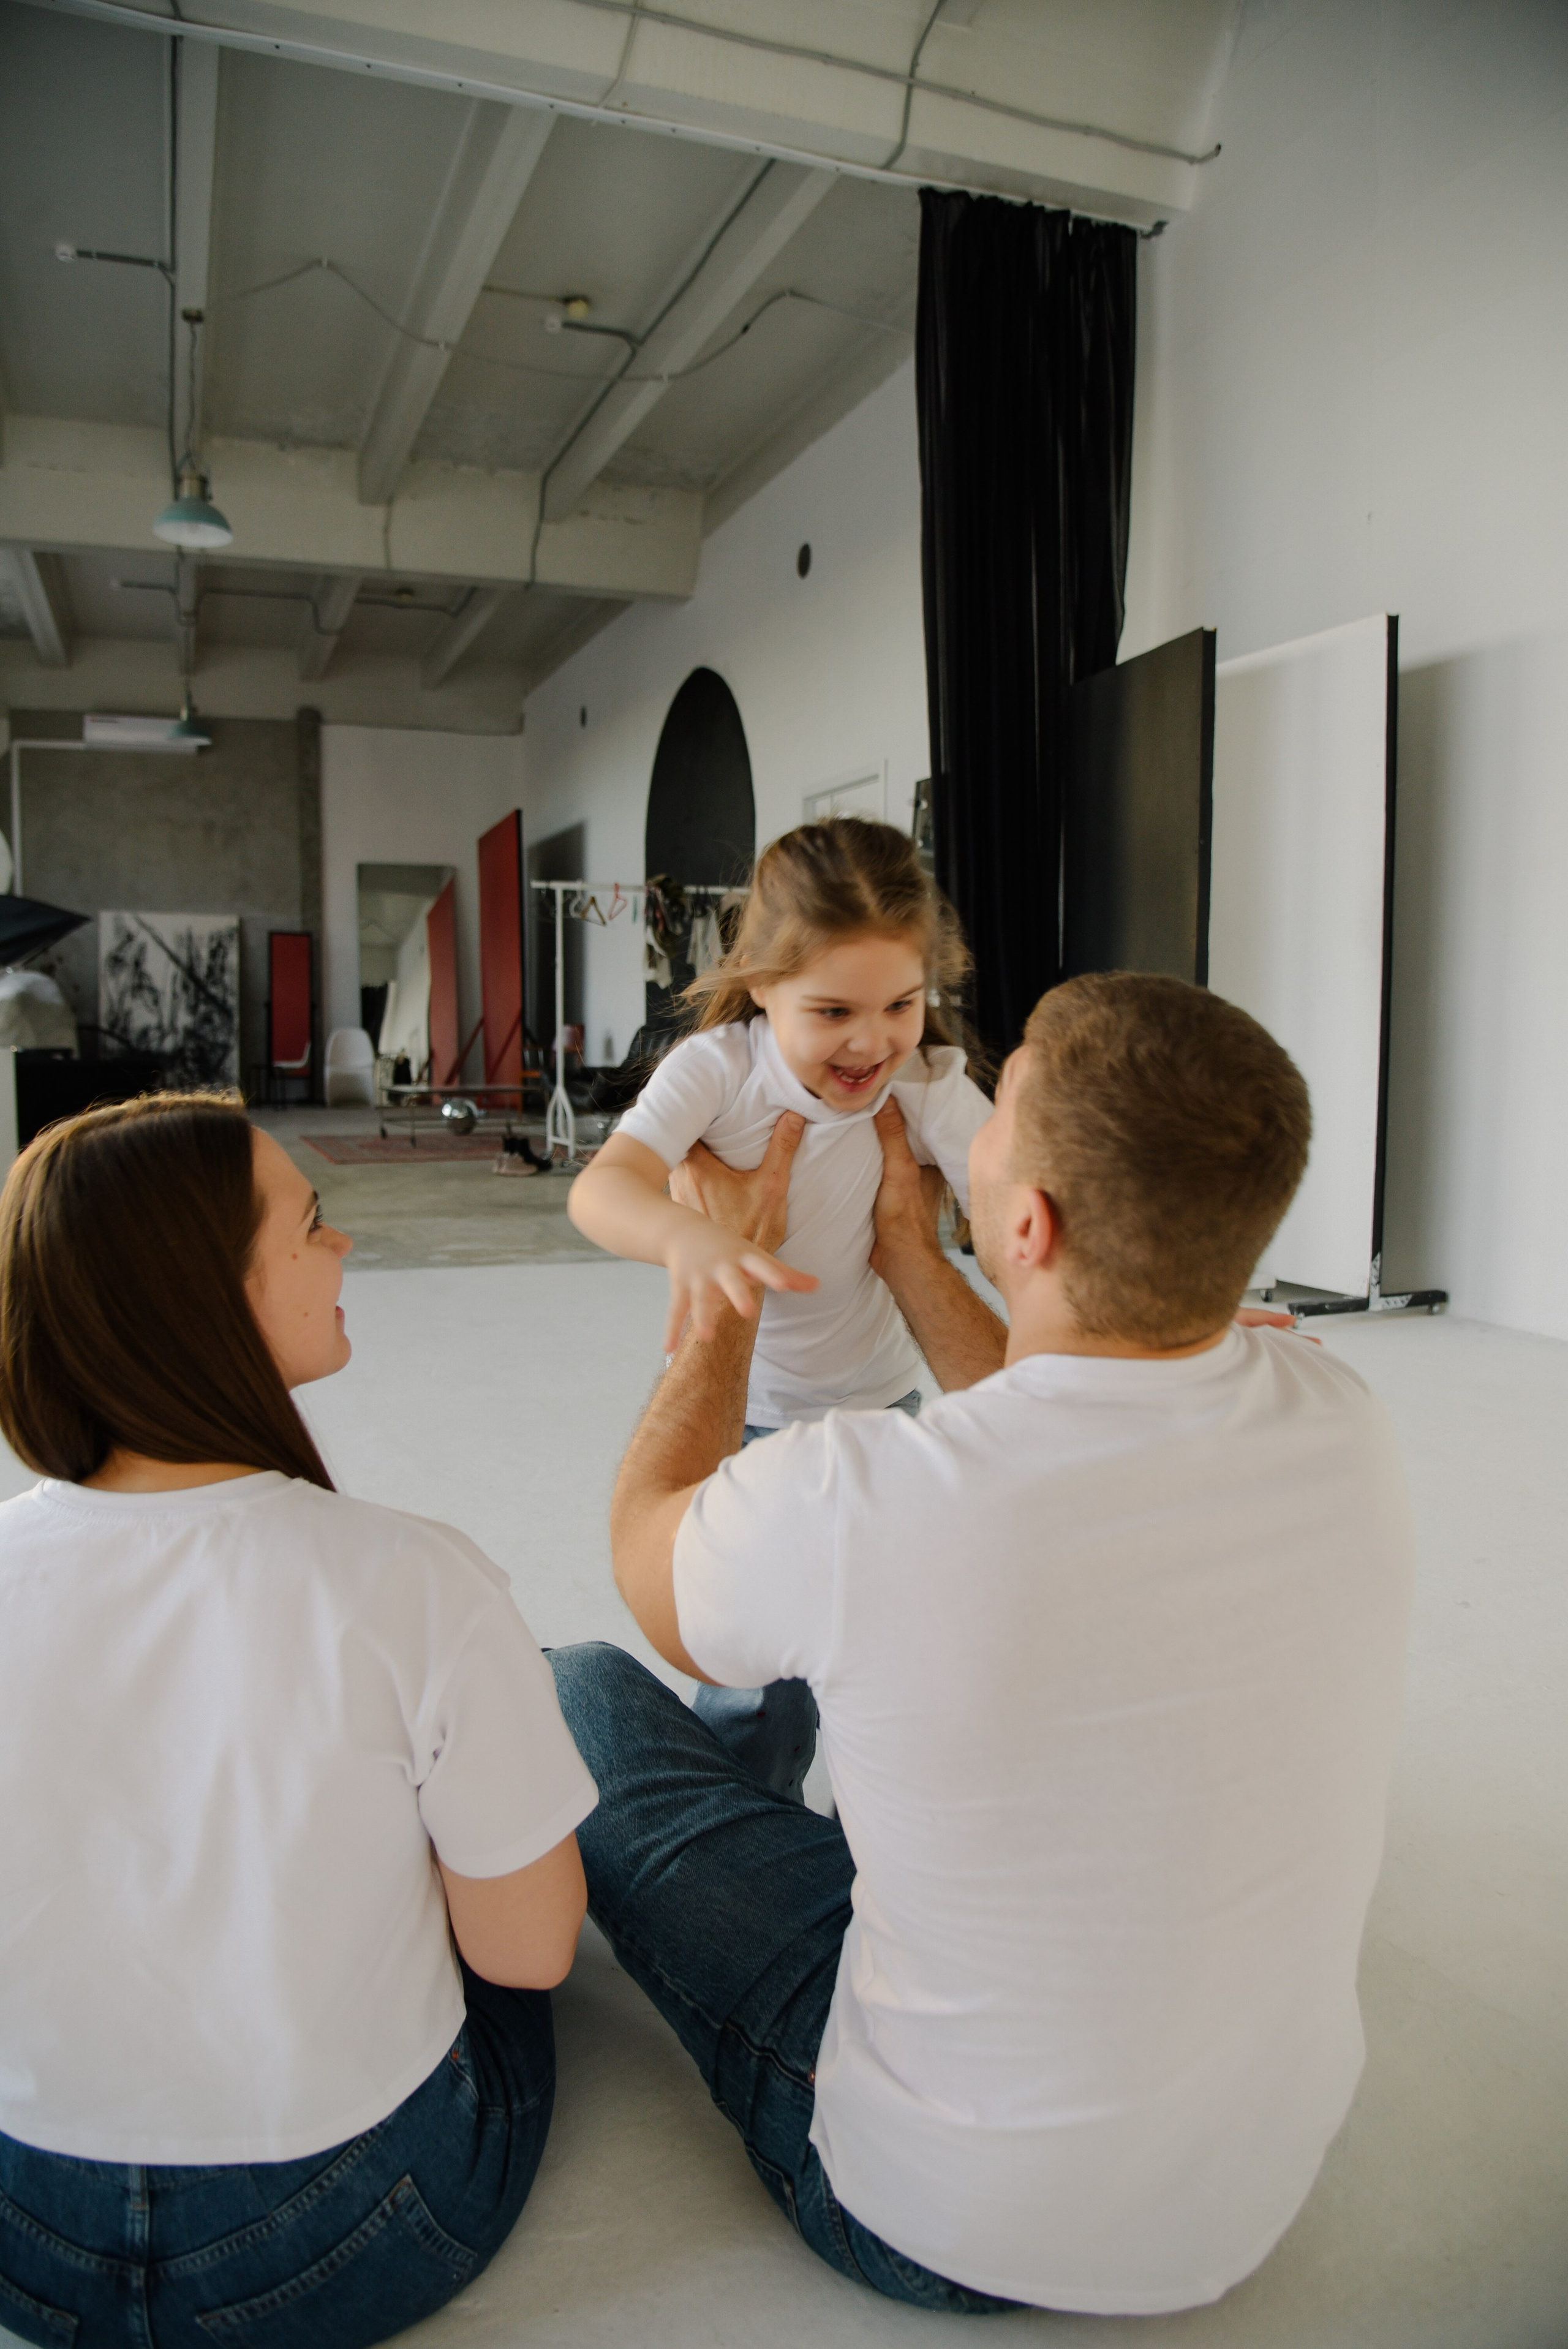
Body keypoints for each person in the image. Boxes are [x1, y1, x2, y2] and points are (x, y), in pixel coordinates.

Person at [549, 972, 1415, 2317]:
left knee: (578, 1689)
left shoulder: (862, 1497)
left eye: (995, 1109)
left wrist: (727, 1277)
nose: (950, 1107)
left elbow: (646, 1552)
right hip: (1250, 2191)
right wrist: (909, 1253)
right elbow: (1070, 1406)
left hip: (930, 2216)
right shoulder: (1336, 1407)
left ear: (1026, 1223)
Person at [0, 1094, 597, 2349]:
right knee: (544, 1798)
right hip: (343, 2228)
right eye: (313, 1222)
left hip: (26, 2231)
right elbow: (530, 1955)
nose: (344, 1245)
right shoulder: (415, 1581)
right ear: (211, 1297)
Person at [567, 815, 992, 1795]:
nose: (872, 1041)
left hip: (881, 1409)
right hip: (747, 1414)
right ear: (761, 984)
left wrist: (1156, 1327)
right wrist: (687, 1237)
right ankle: (747, 1819)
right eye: (833, 1011)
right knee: (758, 1679)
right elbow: (603, 1188)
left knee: (888, 1645)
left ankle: (884, 1824)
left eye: (901, 1004)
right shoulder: (719, 1072)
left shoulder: (927, 1082)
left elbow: (1028, 1213)